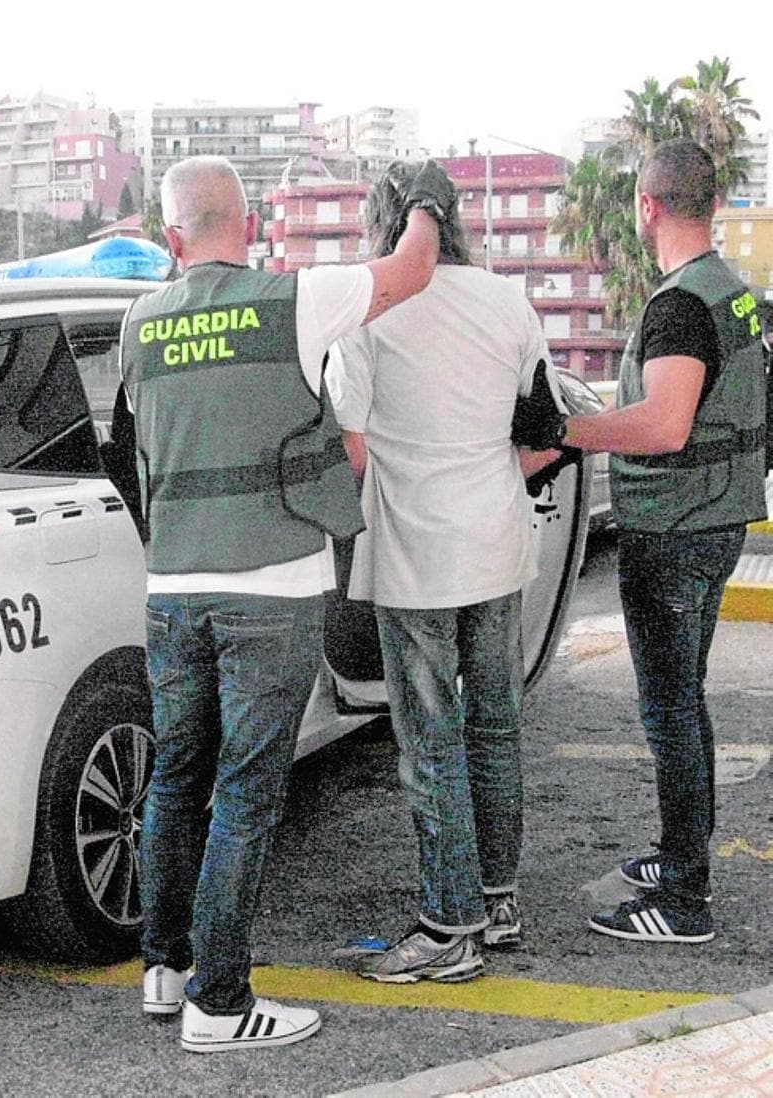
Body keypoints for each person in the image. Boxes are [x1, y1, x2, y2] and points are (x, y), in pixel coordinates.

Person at [120, 154, 453, 1052]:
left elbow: (133, 452)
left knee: (176, 779)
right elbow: (414, 269)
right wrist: (423, 203)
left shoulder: (137, 324)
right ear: (254, 219)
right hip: (272, 587)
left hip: (173, 590)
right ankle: (220, 1006)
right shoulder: (292, 301)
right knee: (244, 795)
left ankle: (167, 970)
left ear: (169, 238)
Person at [517, 138, 767, 944]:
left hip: (672, 528)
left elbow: (663, 424)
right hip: (720, 517)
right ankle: (678, 852)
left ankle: (683, 897)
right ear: (713, 203)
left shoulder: (677, 307)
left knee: (670, 711)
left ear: (647, 207)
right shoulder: (737, 294)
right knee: (684, 703)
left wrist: (563, 430)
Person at [323, 161, 550, 983]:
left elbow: (349, 445)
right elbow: (546, 423)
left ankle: (446, 925)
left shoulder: (370, 307)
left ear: (382, 223)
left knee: (429, 741)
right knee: (494, 723)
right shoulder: (507, 299)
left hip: (417, 552)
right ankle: (497, 901)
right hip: (497, 539)